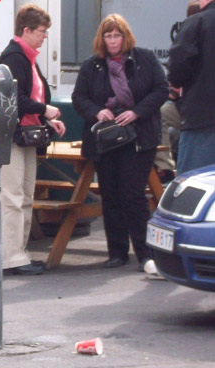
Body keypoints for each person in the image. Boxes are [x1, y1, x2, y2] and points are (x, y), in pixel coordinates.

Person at [72, 14, 167, 270]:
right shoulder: (92, 65)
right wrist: (96, 111)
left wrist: (136, 111)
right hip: (106, 139)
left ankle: (146, 254)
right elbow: (78, 97)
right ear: (101, 38)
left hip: (139, 138)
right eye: (108, 35)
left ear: (125, 37)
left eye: (117, 35)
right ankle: (117, 253)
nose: (113, 40)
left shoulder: (144, 58)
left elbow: (161, 89)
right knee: (111, 195)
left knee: (133, 195)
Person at [0, 4, 66, 276]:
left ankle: (19, 253)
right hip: (12, 137)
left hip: (25, 136)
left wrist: (46, 118)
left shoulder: (27, 58)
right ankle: (10, 257)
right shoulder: (13, 58)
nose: (44, 37)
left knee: (24, 196)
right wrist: (44, 111)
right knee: (12, 197)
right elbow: (12, 98)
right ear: (26, 30)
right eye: (41, 31)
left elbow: (33, 98)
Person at [168, 0, 215, 174]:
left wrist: (176, 82)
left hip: (202, 120)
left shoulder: (196, 23)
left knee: (193, 183)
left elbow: (178, 68)